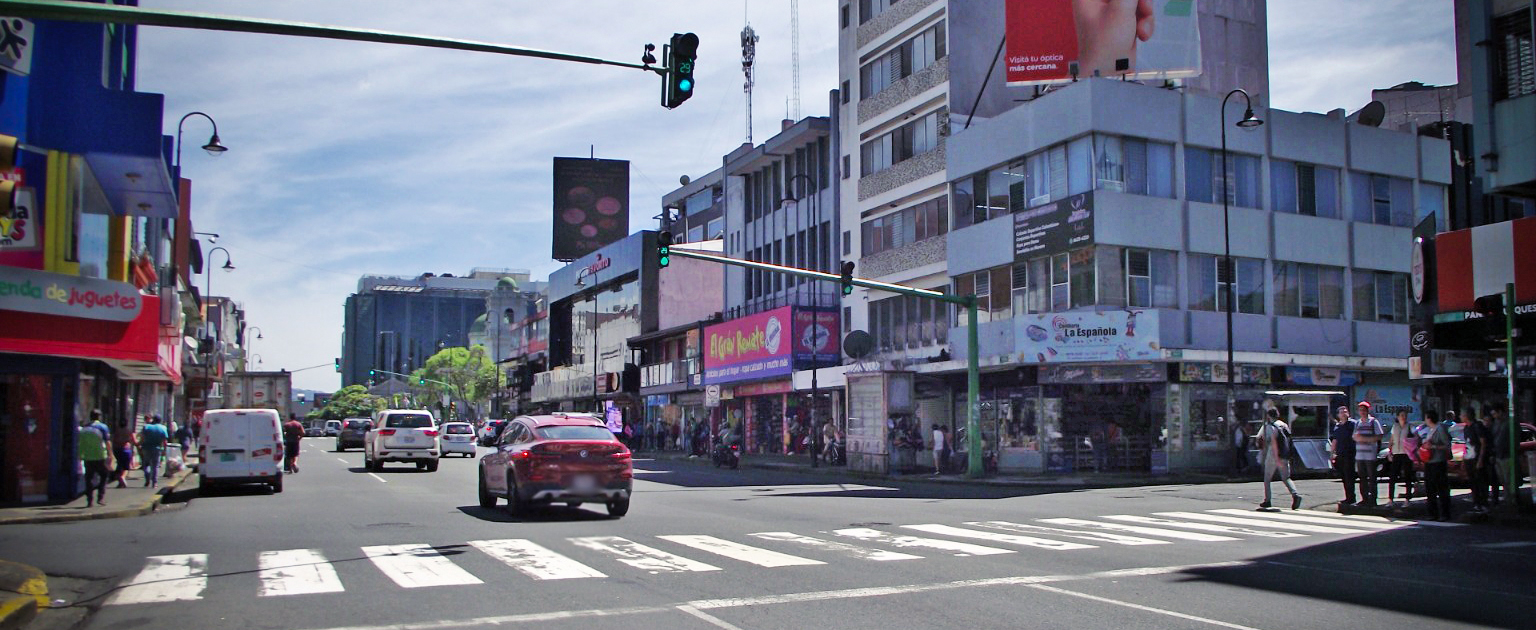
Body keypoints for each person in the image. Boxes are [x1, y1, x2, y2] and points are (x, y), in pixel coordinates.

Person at [1255, 407, 1302, 511]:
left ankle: (1267, 500)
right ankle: (1295, 494)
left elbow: (1271, 442)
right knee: (1286, 477)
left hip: (1273, 454)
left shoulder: (1269, 426)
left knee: (1267, 478)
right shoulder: (1284, 425)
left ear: (1268, 416)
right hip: (1285, 454)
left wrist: (1276, 458)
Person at [1422, 411, 1453, 521]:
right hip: (1429, 461)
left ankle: (1445, 513)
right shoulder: (1430, 430)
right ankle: (1432, 513)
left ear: (1429, 419)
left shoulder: (1440, 428)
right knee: (1430, 489)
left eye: (1426, 418)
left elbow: (1447, 445)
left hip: (1438, 461)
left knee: (1441, 488)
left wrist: (1433, 446)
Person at [1352, 401, 1383, 507]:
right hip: (1360, 455)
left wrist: (1364, 439)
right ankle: (1364, 499)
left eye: (1364, 410)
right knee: (1362, 478)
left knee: (1372, 477)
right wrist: (1357, 438)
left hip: (1370, 455)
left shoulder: (1373, 422)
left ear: (1368, 411)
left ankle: (1373, 499)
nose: (1362, 412)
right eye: (1360, 410)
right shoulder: (1357, 423)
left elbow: (1379, 436)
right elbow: (1354, 436)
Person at [78, 410, 112, 507]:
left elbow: (80, 442)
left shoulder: (84, 428)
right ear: (99, 417)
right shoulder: (102, 427)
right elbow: (107, 442)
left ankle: (89, 500)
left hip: (87, 456)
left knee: (89, 479)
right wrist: (110, 454)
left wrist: (80, 455)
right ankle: (100, 497)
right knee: (104, 476)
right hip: (100, 456)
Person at [1461, 410, 1490, 513]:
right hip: (1469, 458)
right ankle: (1476, 503)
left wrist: (1480, 459)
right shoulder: (1466, 428)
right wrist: (1463, 459)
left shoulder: (1477, 426)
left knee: (1481, 481)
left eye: (1462, 415)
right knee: (1473, 482)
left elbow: (1483, 443)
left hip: (1477, 458)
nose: (1460, 417)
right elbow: (1466, 444)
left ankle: (1484, 503)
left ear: (1467, 416)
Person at [1328, 406, 1358, 506]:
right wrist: (1332, 454)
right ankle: (1348, 497)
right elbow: (1335, 440)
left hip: (1350, 453)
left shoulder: (1353, 424)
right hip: (1340, 454)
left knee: (1350, 476)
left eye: (1345, 411)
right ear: (1338, 415)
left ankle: (1352, 498)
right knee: (1344, 477)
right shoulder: (1338, 426)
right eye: (1341, 412)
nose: (1344, 413)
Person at [1385, 410, 1415, 507]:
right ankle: (1390, 499)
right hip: (1396, 453)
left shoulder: (1410, 426)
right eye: (1401, 415)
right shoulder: (1395, 426)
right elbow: (1391, 440)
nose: (1403, 417)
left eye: (1405, 415)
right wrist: (1389, 452)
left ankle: (1407, 499)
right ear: (1397, 417)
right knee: (1392, 476)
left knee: (1407, 476)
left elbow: (1416, 438)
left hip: (1406, 454)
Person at [138, 416, 169, 488]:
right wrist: (165, 450)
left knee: (146, 464)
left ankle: (147, 478)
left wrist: (139, 444)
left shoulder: (146, 427)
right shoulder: (163, 428)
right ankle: (154, 483)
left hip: (146, 448)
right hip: (157, 449)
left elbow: (142, 438)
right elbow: (165, 441)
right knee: (155, 466)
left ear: (153, 420)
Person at [111, 418, 136, 489]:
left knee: (119, 465)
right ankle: (122, 477)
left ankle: (120, 483)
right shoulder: (129, 431)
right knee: (126, 467)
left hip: (118, 450)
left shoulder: (117, 431)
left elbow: (114, 440)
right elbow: (134, 441)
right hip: (126, 450)